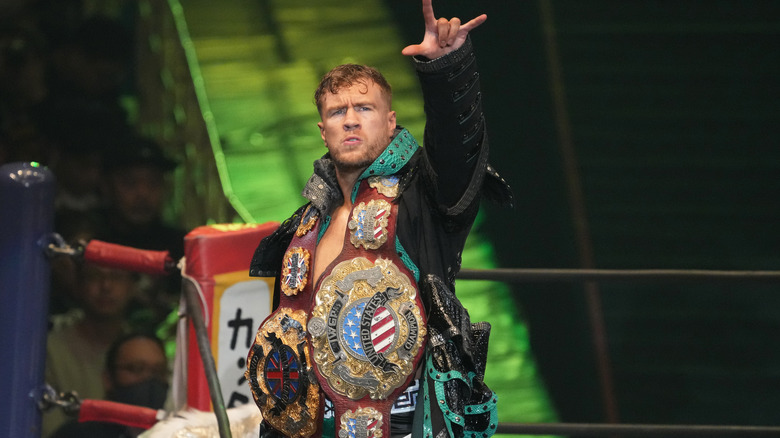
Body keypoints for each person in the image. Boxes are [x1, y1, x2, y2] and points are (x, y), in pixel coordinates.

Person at [245, 1, 511, 437]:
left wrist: (446, 71)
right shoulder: (306, 225)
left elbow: (456, 153)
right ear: (323, 130)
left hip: (407, 423)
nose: (350, 120)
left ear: (390, 123)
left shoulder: (422, 201)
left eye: (364, 109)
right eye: (337, 112)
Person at [44, 263, 138, 437]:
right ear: (79, 285)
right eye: (94, 276)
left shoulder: (142, 352)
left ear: (133, 286)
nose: (106, 286)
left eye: (117, 277)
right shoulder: (50, 350)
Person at [51, 332, 171, 438]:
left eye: (158, 371)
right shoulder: (77, 434)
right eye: (136, 369)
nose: (148, 378)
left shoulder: (178, 431)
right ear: (108, 379)